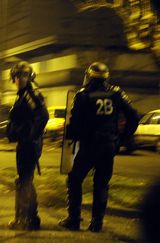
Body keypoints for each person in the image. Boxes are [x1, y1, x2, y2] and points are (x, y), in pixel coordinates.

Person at [59, 62, 139, 232]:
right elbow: (133, 115)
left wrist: (72, 136)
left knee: (74, 179)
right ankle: (97, 223)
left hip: (89, 146)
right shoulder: (117, 93)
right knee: (101, 184)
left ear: (89, 76)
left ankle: (73, 219)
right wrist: (122, 138)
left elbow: (74, 124)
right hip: (109, 146)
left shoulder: (83, 95)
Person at [6, 61, 49, 230]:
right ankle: (28, 217)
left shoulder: (30, 94)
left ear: (30, 77)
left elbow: (43, 116)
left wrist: (31, 135)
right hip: (27, 143)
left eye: (23, 75)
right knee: (24, 180)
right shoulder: (23, 94)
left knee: (24, 181)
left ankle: (26, 219)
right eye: (17, 76)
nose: (20, 79)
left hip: (29, 144)